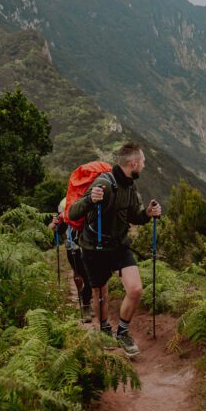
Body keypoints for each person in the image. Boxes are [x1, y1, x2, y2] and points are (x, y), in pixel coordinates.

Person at [68, 142, 162, 356]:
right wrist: (91, 200)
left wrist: (148, 213)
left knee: (135, 289)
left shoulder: (129, 185)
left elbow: (134, 217)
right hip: (94, 248)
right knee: (100, 293)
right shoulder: (103, 184)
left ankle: (122, 332)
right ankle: (104, 329)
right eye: (144, 162)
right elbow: (73, 213)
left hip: (119, 246)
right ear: (134, 163)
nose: (145, 166)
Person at [48, 199, 93, 323]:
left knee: (89, 277)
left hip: (89, 247)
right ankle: (85, 299)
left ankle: (86, 305)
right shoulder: (65, 204)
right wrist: (54, 224)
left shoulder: (89, 198)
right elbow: (56, 229)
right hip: (73, 248)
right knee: (81, 276)